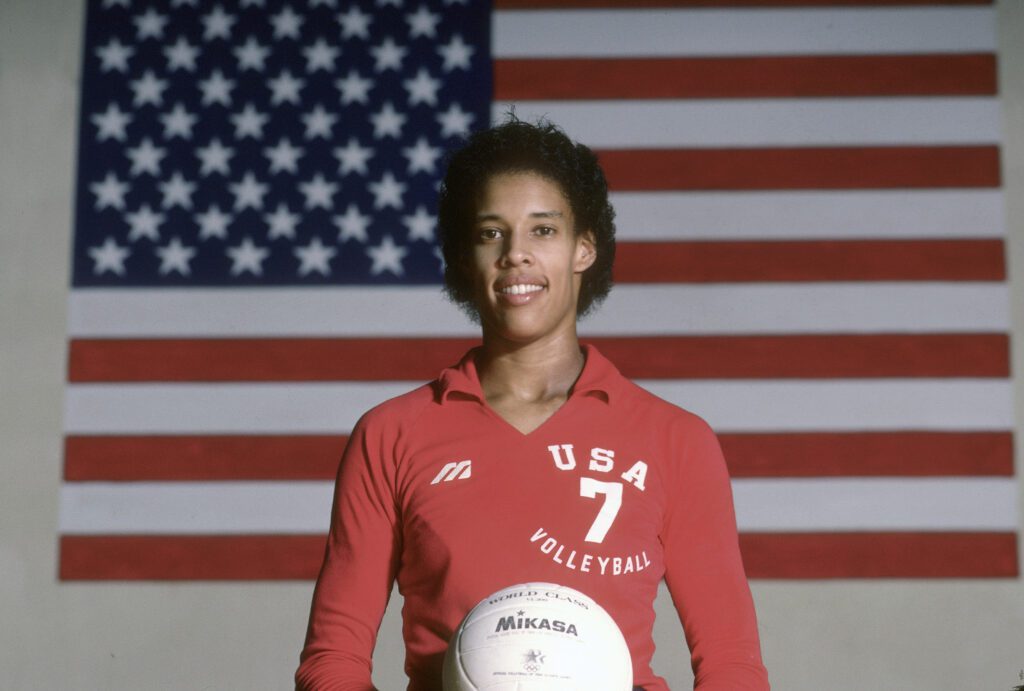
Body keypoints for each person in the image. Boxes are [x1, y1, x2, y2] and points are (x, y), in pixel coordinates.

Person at [295, 118, 770, 690]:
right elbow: (332, 659)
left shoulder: (675, 439)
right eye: (491, 233)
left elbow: (732, 663)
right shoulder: (392, 434)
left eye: (543, 230)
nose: (516, 254)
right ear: (464, 256)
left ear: (583, 248)